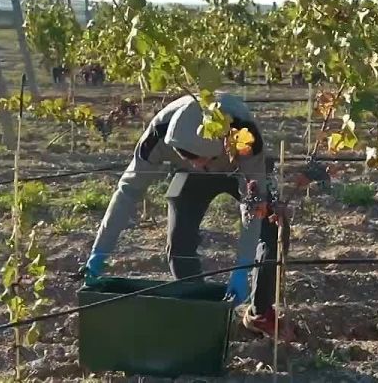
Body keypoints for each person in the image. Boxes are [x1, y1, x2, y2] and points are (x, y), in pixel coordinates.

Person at [81, 92, 291, 339]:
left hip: (239, 170)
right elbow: (128, 190)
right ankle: (201, 310)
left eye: (199, 158)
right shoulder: (158, 135)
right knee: (179, 242)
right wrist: (99, 251)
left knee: (272, 228)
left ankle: (258, 313)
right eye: (186, 156)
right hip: (186, 178)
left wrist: (242, 266)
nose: (196, 164)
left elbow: (254, 205)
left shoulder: (246, 137)